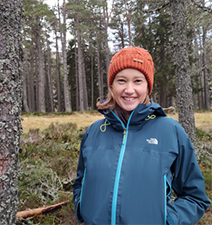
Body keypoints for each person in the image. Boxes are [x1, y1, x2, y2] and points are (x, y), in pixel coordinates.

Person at [72, 46, 210, 225]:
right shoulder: (94, 131)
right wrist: (81, 206)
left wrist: (167, 219)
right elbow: (81, 182)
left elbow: (195, 197)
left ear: (148, 86)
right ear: (112, 85)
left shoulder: (171, 131)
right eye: (122, 80)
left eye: (137, 81)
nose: (129, 90)